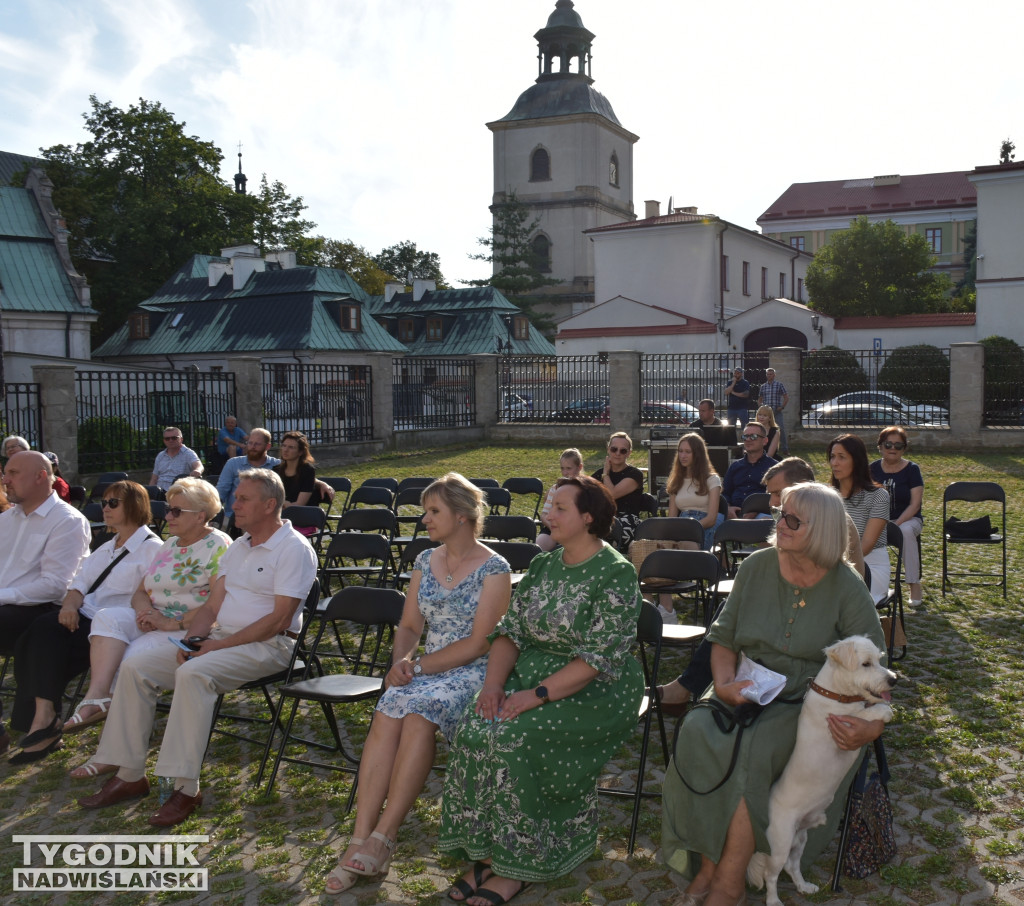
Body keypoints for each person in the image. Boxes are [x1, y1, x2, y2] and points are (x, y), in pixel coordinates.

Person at [662, 483, 887, 906]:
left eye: (792, 519)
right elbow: (724, 639)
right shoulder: (756, 568)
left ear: (820, 530)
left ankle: (727, 882)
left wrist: (870, 727)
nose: (778, 524)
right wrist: (725, 686)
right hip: (745, 685)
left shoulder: (847, 587)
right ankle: (708, 863)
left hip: (809, 703)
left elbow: (877, 668)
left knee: (755, 749)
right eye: (780, 513)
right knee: (696, 729)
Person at [438, 476, 644, 906]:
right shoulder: (544, 566)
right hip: (530, 678)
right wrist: (493, 686)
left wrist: (536, 695)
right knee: (475, 728)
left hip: (595, 689)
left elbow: (595, 659)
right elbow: (509, 634)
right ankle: (490, 853)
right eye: (549, 505)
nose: (548, 514)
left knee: (514, 738)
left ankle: (519, 865)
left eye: (560, 508)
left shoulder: (616, 573)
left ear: (588, 518)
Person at [78, 469, 317, 827]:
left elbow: (279, 620)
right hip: (224, 639)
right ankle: (129, 774)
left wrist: (213, 647)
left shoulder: (294, 548)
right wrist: (194, 640)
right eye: (236, 497)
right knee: (136, 666)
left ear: (270, 505)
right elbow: (210, 607)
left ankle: (184, 788)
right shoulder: (238, 546)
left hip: (270, 645)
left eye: (243, 499)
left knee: (193, 673)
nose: (234, 504)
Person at [325, 474, 511, 894]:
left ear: (462, 516)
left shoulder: (494, 569)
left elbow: (480, 643)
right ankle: (360, 838)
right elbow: (410, 624)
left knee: (416, 714)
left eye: (434, 512)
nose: (424, 519)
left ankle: (384, 837)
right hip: (425, 667)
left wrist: (420, 667)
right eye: (425, 511)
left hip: (470, 671)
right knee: (389, 710)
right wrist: (401, 662)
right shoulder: (425, 561)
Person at [657, 457, 866, 715]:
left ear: (803, 489)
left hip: (813, 615)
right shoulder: (785, 524)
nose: (772, 503)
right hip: (777, 604)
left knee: (732, 611)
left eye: (778, 493)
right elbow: (769, 573)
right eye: (770, 494)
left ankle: (688, 686)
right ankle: (704, 684)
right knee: (730, 611)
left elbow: (851, 588)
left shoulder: (834, 526)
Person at [67, 479, 230, 778]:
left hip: (189, 626)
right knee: (106, 617)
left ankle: (114, 751)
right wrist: (147, 612)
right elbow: (141, 591)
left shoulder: (218, 545)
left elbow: (220, 604)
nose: (167, 516)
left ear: (200, 514)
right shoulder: (169, 544)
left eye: (176, 511)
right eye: (168, 509)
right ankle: (98, 694)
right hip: (155, 619)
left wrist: (171, 622)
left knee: (131, 660)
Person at [7, 482, 162, 764]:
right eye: (104, 502)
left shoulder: (153, 549)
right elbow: (79, 585)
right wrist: (68, 606)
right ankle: (44, 716)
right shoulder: (106, 546)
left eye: (113, 503)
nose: (105, 508)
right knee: (34, 634)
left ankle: (44, 723)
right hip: (85, 615)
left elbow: (153, 596)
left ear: (135, 506)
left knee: (44, 638)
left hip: (113, 626)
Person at [0, 451, 90, 755]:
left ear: (40, 475)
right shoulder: (7, 519)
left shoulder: (67, 521)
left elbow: (55, 586)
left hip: (43, 610)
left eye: (12, 473)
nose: (4, 479)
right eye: (5, 472)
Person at [830, 433, 890, 603]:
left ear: (857, 461)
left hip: (869, 566)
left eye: (842, 457)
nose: (834, 463)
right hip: (831, 563)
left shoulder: (879, 496)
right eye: (832, 457)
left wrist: (834, 565)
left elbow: (866, 545)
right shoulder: (827, 496)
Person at [870, 426, 924, 606]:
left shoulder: (912, 470)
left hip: (908, 519)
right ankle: (871, 585)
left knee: (905, 531)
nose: (893, 448)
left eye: (898, 446)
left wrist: (895, 523)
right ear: (880, 446)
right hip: (878, 519)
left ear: (904, 449)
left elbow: (915, 504)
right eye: (888, 444)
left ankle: (913, 584)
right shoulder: (872, 469)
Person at [667, 433, 723, 552]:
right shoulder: (676, 480)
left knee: (688, 546)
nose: (683, 455)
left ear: (697, 454)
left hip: (703, 527)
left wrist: (690, 529)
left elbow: (712, 518)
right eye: (680, 451)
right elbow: (671, 518)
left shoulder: (712, 480)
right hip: (681, 525)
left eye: (688, 452)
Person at [721, 421, 777, 519]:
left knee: (764, 521)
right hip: (733, 513)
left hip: (762, 513)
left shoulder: (774, 468)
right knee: (714, 521)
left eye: (753, 436)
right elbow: (725, 493)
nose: (748, 440)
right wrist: (728, 508)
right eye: (745, 437)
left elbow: (776, 496)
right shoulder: (735, 466)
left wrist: (756, 510)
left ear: (765, 441)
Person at [537, 448, 583, 552]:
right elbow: (544, 515)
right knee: (538, 549)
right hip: (553, 528)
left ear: (579, 467)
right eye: (562, 468)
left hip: (577, 531)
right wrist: (554, 528)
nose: (565, 473)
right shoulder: (555, 488)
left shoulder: (585, 489)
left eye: (569, 468)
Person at [591, 432, 645, 517]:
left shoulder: (635, 474)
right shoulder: (598, 474)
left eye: (623, 451)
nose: (618, 453)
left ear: (628, 453)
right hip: (602, 519)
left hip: (626, 521)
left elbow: (612, 494)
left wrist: (605, 474)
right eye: (614, 449)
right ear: (608, 449)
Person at [274, 431, 322, 509]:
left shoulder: (307, 471)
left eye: (291, 447)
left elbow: (299, 505)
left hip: (302, 516)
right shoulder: (276, 470)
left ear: (300, 452)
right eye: (284, 446)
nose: (285, 450)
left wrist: (283, 503)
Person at [149, 426, 203, 492]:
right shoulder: (160, 456)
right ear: (164, 441)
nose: (170, 440)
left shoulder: (188, 453)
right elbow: (154, 478)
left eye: (174, 438)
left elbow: (199, 465)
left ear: (181, 439)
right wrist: (150, 495)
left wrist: (197, 470)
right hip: (159, 493)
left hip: (179, 492)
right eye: (167, 439)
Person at [757, 368, 789, 455]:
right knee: (763, 429)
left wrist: (782, 407)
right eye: (767, 374)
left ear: (774, 375)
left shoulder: (779, 385)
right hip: (766, 413)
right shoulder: (763, 386)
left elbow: (786, 397)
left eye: (770, 374)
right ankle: (763, 447)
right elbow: (760, 399)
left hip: (776, 411)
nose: (769, 375)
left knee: (780, 429)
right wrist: (761, 406)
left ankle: (785, 449)